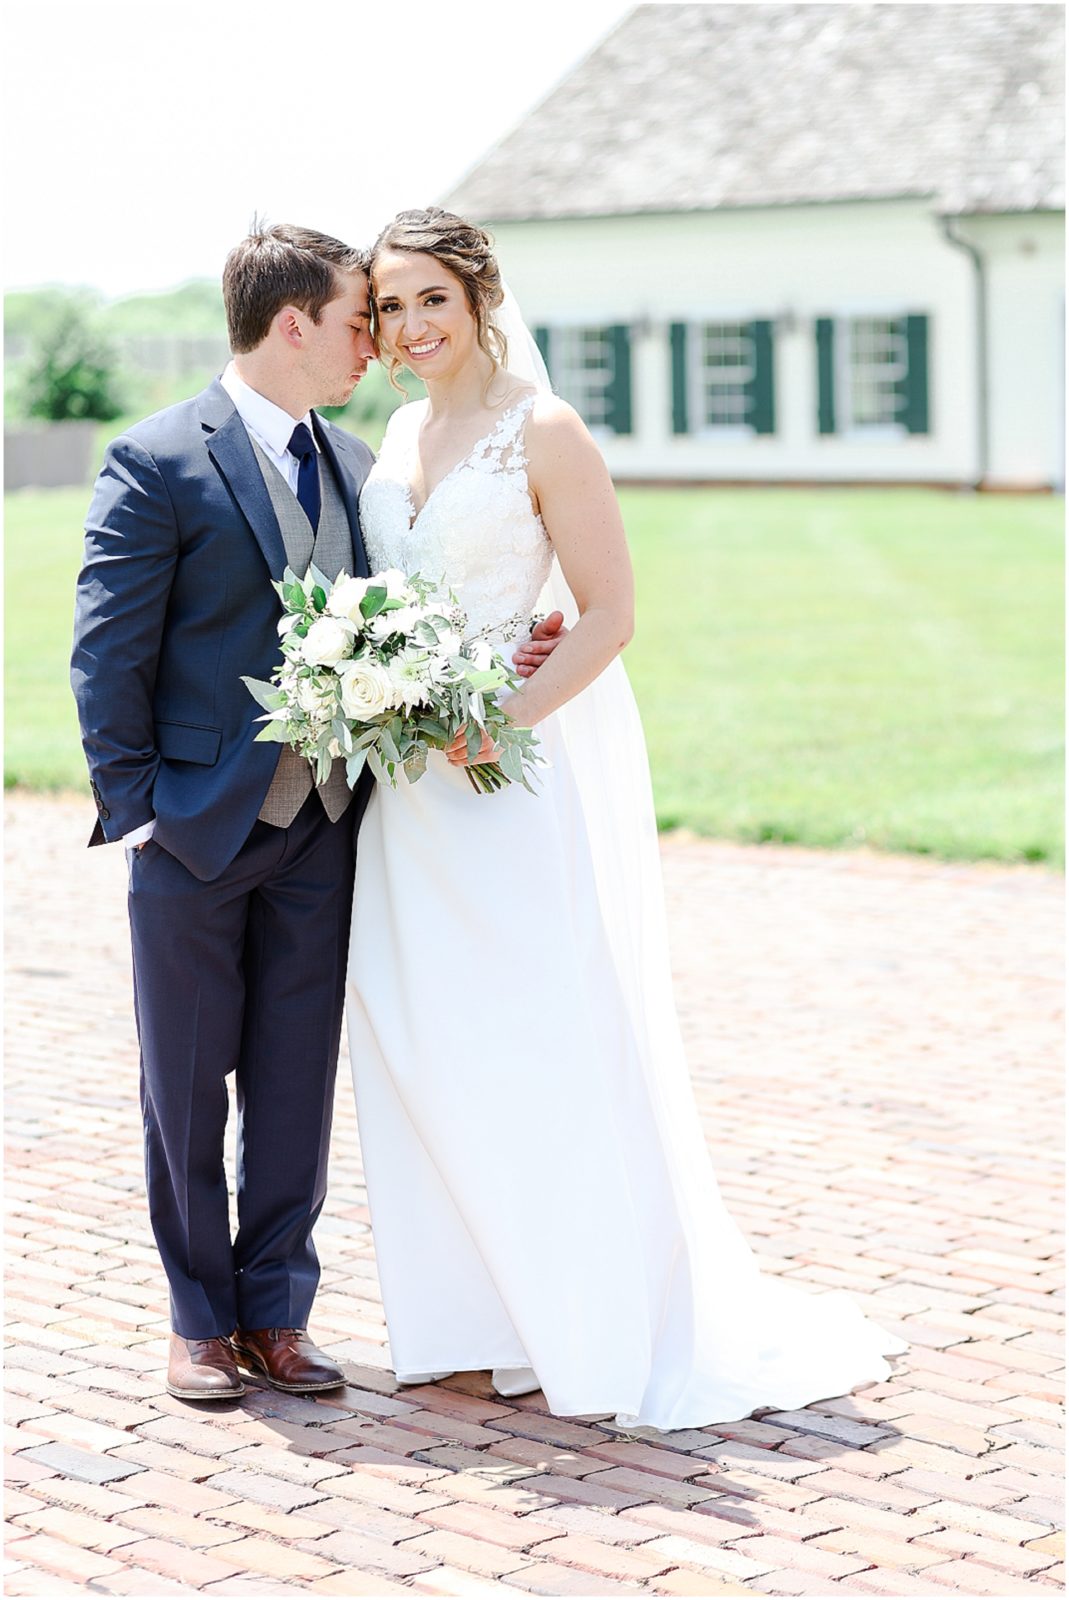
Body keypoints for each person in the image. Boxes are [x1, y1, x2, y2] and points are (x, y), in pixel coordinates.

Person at [346, 207, 907, 1428]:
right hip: (410, 798)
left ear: (481, 294)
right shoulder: (397, 429)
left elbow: (607, 611)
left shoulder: (544, 431)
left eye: (429, 297)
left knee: (541, 1035)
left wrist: (507, 716)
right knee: (423, 1038)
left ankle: (586, 1321)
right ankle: (470, 1318)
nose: (408, 325)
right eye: (388, 306)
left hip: (504, 781)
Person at [70, 221, 564, 1402]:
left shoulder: (356, 467)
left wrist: (508, 651)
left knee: (294, 1079)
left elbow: (412, 615)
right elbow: (105, 654)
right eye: (358, 321)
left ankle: (278, 1312)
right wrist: (140, 811)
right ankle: (199, 1320)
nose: (374, 344)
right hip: (191, 830)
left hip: (324, 830)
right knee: (185, 1085)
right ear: (291, 323)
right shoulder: (156, 458)